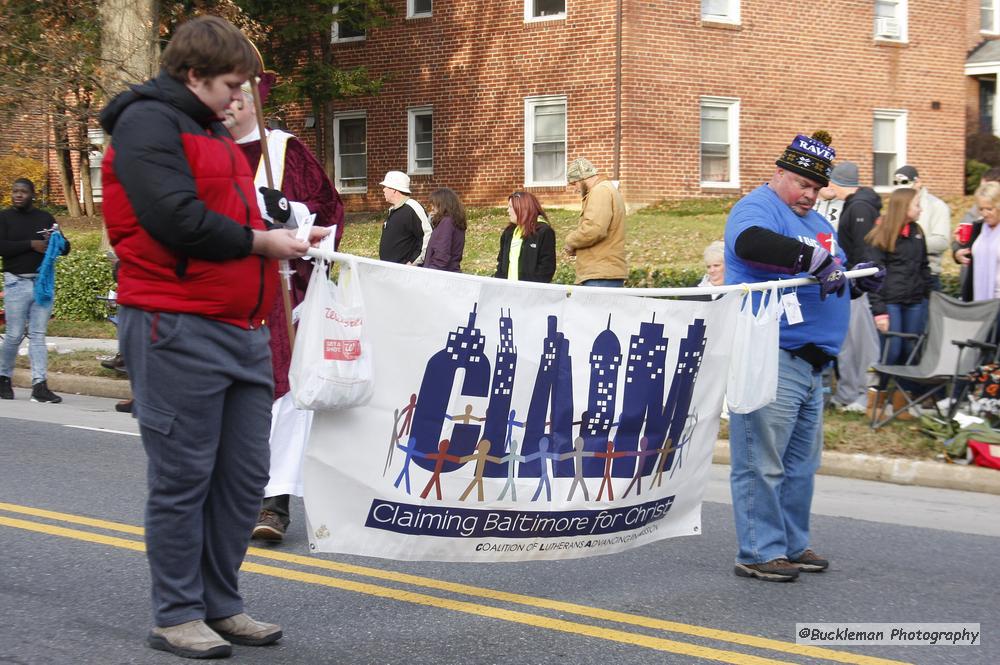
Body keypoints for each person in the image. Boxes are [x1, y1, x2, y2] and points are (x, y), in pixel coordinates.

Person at [99, 16, 330, 659]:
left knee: (242, 478)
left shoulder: (214, 135)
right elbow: (176, 220)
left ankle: (221, 603)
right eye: (232, 85)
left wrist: (291, 234)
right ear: (194, 75)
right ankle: (177, 613)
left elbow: (235, 218)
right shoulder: (148, 124)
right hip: (176, 325)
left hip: (243, 328)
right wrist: (263, 242)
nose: (241, 99)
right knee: (184, 478)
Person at [723, 132, 884, 582]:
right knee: (761, 460)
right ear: (778, 174)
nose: (809, 194)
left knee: (799, 465)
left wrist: (860, 280)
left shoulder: (819, 221)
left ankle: (791, 545)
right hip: (772, 354)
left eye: (816, 188)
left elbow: (834, 272)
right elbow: (749, 244)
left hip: (812, 363)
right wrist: (808, 256)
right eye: (801, 184)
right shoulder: (757, 207)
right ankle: (757, 550)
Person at [224, 75, 344, 543]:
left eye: (238, 94)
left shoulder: (284, 152)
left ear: (255, 99)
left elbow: (329, 210)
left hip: (278, 288)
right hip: (220, 288)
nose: (229, 104)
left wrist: (290, 211)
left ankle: (273, 503)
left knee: (283, 391)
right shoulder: (196, 148)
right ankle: (231, 493)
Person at [864, 188, 932, 420]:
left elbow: (924, 266)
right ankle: (876, 400)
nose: (920, 208)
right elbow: (873, 277)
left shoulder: (917, 232)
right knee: (891, 351)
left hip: (914, 302)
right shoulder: (882, 234)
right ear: (903, 207)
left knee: (910, 351)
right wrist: (879, 311)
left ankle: (902, 402)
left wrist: (927, 294)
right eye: (916, 204)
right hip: (890, 303)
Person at [0, 177, 70, 403]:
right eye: (15, 191)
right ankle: (3, 379)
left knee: (38, 335)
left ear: (33, 194)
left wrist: (55, 241)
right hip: (16, 282)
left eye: (23, 191)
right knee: (14, 335)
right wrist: (31, 244)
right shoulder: (4, 217)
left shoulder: (45, 218)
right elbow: (2, 247)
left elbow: (65, 248)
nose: (18, 195)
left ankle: (39, 386)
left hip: (42, 283)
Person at [825, 161, 883, 413]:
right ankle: (848, 393)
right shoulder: (855, 205)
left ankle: (864, 395)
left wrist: (862, 281)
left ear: (836, 182)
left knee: (862, 344)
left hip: (860, 286)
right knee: (847, 342)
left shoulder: (859, 207)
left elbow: (864, 250)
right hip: (849, 284)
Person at [563, 158, 627, 287]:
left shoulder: (600, 191)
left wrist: (570, 241)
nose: (575, 189)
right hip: (604, 272)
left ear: (582, 178)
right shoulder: (606, 189)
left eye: (574, 183)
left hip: (600, 274)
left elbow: (594, 229)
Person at [892, 165, 950, 291]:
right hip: (899, 274)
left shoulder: (937, 206)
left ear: (918, 182)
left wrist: (912, 244)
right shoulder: (897, 205)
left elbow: (942, 242)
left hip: (928, 274)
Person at [495, 191, 556, 283]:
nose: (508, 211)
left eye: (511, 207)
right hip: (507, 290)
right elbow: (501, 262)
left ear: (522, 208)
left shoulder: (544, 232)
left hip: (531, 291)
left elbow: (546, 267)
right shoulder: (508, 232)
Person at [955, 180, 1000, 303]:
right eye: (981, 209)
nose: (985, 214)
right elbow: (969, 254)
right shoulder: (978, 227)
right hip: (977, 301)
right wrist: (959, 248)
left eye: (989, 209)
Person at [378, 171, 431, 265]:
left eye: (386, 187)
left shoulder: (412, 208)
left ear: (394, 189)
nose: (383, 190)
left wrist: (413, 262)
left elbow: (427, 235)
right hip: (390, 271)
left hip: (406, 272)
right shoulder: (394, 209)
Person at [422, 187, 466, 272]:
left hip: (441, 274)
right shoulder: (454, 221)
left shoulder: (447, 222)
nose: (432, 208)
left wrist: (431, 274)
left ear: (442, 204)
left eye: (434, 204)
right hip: (449, 272)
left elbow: (441, 253)